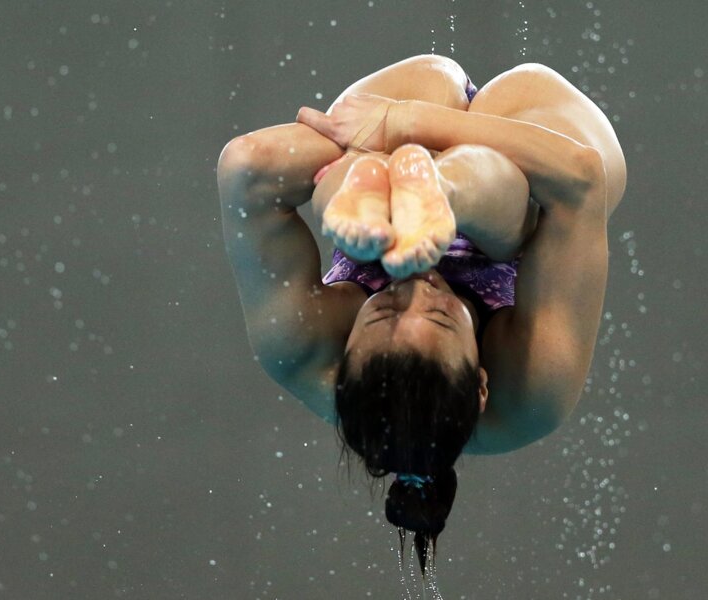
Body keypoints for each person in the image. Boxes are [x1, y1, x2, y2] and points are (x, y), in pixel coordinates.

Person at [217, 55, 627, 576]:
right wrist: (403, 124)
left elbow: (245, 170)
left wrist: (376, 141)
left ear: (343, 362)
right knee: (520, 197)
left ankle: (366, 191)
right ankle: (439, 188)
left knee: (414, 112)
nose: (416, 285)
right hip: (516, 173)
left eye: (381, 307)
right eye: (440, 316)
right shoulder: (530, 392)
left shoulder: (301, 351)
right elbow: (581, 180)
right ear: (481, 383)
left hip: (391, 157)